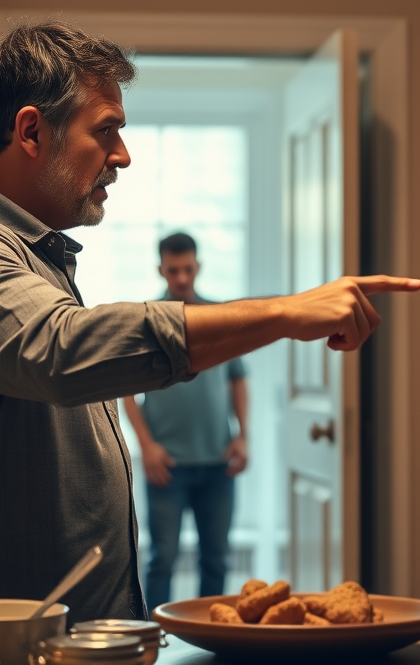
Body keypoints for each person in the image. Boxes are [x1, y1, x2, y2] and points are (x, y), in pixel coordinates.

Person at [0, 21, 420, 624]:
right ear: (31, 130)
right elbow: (60, 351)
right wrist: (285, 311)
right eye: (105, 130)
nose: (123, 156)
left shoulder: (32, 256)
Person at [122, 232, 248, 608]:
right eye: (173, 270)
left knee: (217, 559)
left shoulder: (219, 317)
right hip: (168, 466)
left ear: (198, 267)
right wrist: (146, 446)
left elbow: (238, 380)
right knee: (162, 560)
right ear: (161, 269)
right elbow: (125, 390)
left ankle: (213, 637)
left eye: (187, 269)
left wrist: (243, 436)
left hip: (218, 464)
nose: (180, 278)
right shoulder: (146, 319)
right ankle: (156, 643)